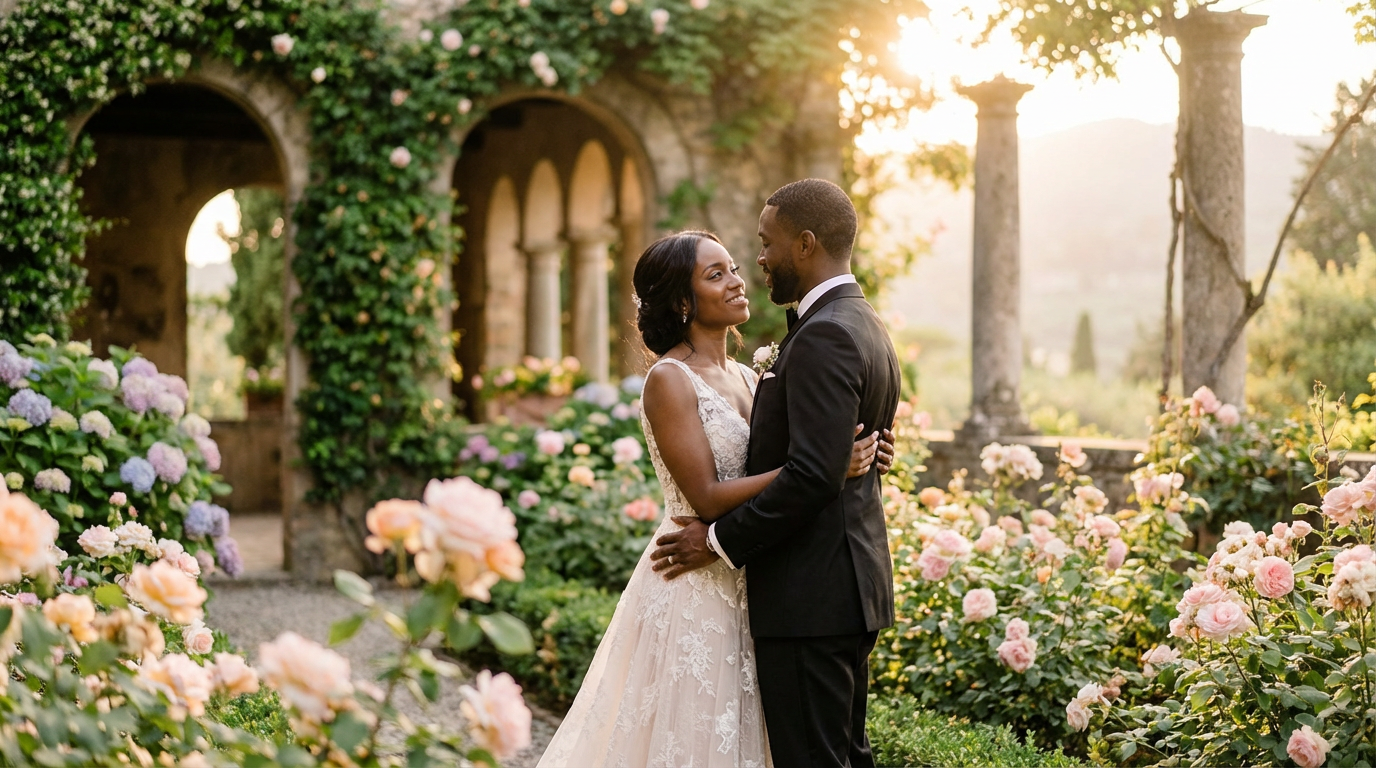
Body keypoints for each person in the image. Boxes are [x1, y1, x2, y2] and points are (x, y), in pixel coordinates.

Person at [536, 227, 894, 768]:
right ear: (683, 301)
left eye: (732, 268)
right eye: (716, 274)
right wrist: (822, 467)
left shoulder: (751, 377)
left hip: (752, 572)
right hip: (694, 576)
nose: (737, 281)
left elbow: (807, 451)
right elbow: (705, 495)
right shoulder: (670, 380)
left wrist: (862, 451)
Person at [651, 179, 901, 768]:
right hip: (836, 588)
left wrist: (714, 542)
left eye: (764, 245)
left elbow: (814, 475)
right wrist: (848, 462)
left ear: (806, 244)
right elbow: (829, 458)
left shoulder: (823, 335)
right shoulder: (864, 324)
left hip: (810, 594)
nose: (756, 262)